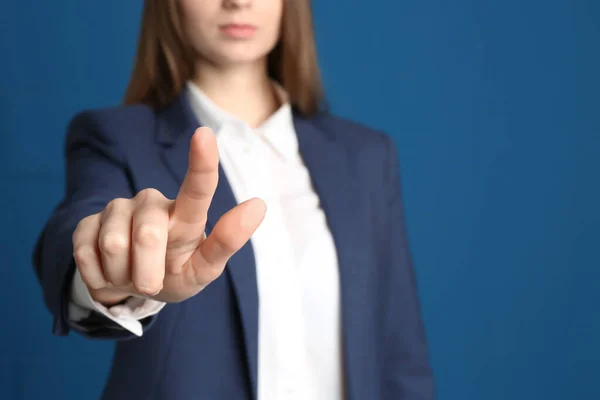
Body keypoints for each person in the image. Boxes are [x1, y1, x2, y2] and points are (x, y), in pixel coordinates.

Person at [32, 0, 435, 399]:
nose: (238, 2)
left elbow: (400, 351)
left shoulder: (366, 155)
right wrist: (108, 269)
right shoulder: (115, 138)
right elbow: (77, 229)